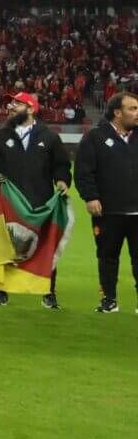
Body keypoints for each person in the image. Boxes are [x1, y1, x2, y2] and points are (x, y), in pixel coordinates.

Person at [0, 91, 72, 309]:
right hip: (8, 202)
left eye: (17, 104)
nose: (11, 107)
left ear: (31, 109)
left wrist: (62, 180)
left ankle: (48, 293)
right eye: (10, 104)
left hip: (40, 203)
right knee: (5, 247)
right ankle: (1, 292)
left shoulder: (49, 136)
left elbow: (61, 164)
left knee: (45, 246)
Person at [74, 90, 138, 313]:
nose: (137, 113)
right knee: (107, 257)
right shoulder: (95, 137)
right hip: (108, 211)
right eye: (133, 109)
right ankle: (109, 299)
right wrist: (90, 196)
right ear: (117, 113)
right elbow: (83, 171)